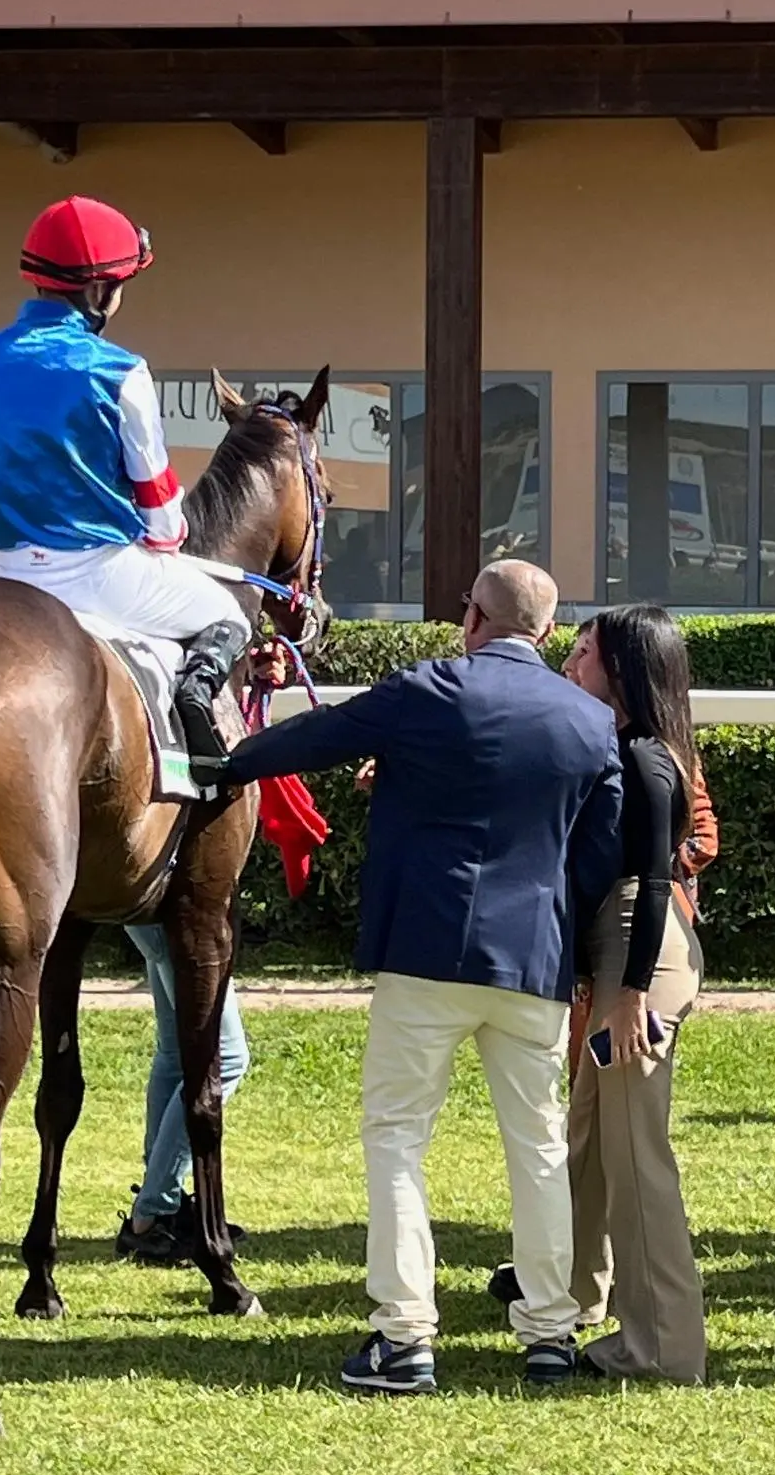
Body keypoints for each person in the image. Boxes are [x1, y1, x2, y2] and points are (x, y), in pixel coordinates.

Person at [216, 560, 624, 1394]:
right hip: (533, 959)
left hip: (426, 949)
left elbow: (309, 741)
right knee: (539, 1146)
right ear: (546, 633)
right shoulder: (589, 720)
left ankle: (405, 1338)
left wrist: (219, 766)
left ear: (471, 615)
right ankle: (549, 1332)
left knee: (398, 1137)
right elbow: (598, 854)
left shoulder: (429, 688)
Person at [0, 196, 251, 769]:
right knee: (228, 615)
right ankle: (201, 751)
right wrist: (165, 540)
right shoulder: (120, 370)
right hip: (100, 575)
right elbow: (159, 503)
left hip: (3, 574)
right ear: (98, 291)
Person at [561, 605, 707, 1383]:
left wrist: (628, 995)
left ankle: (663, 1349)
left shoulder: (649, 758)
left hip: (640, 952)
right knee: (587, 1137)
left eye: (584, 652)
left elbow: (655, 883)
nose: (571, 661)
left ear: (619, 669)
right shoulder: (615, 744)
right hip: (620, 948)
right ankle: (577, 1298)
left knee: (634, 1153)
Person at [115, 923, 252, 1265]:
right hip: (177, 908)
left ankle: (162, 1208)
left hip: (150, 909)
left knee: (176, 1055)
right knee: (226, 1055)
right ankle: (152, 1211)